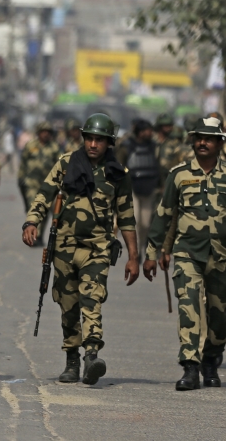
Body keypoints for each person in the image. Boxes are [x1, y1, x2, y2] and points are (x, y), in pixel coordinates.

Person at [143, 117, 226, 391]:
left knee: (220, 315)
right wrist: (152, 253)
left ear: (220, 143)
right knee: (188, 307)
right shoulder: (179, 174)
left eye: (209, 138)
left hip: (221, 256)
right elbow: (163, 215)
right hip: (187, 253)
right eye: (198, 138)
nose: (202, 142)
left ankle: (211, 360)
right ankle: (190, 367)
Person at [22, 113, 139, 385]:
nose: (93, 144)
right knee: (68, 305)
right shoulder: (66, 164)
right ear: (83, 139)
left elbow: (126, 217)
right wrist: (31, 221)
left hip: (97, 248)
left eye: (100, 140)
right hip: (63, 247)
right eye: (90, 139)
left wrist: (133, 257)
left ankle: (92, 355)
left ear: (109, 143)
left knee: (92, 298)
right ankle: (72, 360)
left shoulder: (117, 174)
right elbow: (44, 194)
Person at [116, 118, 160, 254]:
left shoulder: (154, 147)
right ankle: (135, 251)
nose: (151, 133)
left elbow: (158, 166)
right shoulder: (126, 146)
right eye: (148, 130)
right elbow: (119, 166)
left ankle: (141, 246)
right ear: (140, 132)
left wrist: (161, 185)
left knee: (145, 224)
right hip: (132, 189)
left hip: (149, 188)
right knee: (135, 220)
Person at [18, 121, 61, 237]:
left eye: (48, 132)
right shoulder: (30, 145)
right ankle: (34, 234)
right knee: (33, 207)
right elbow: (23, 163)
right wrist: (20, 178)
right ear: (38, 132)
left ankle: (39, 234)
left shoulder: (54, 147)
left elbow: (60, 165)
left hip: (48, 184)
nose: (45, 134)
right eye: (43, 131)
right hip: (32, 183)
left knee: (45, 210)